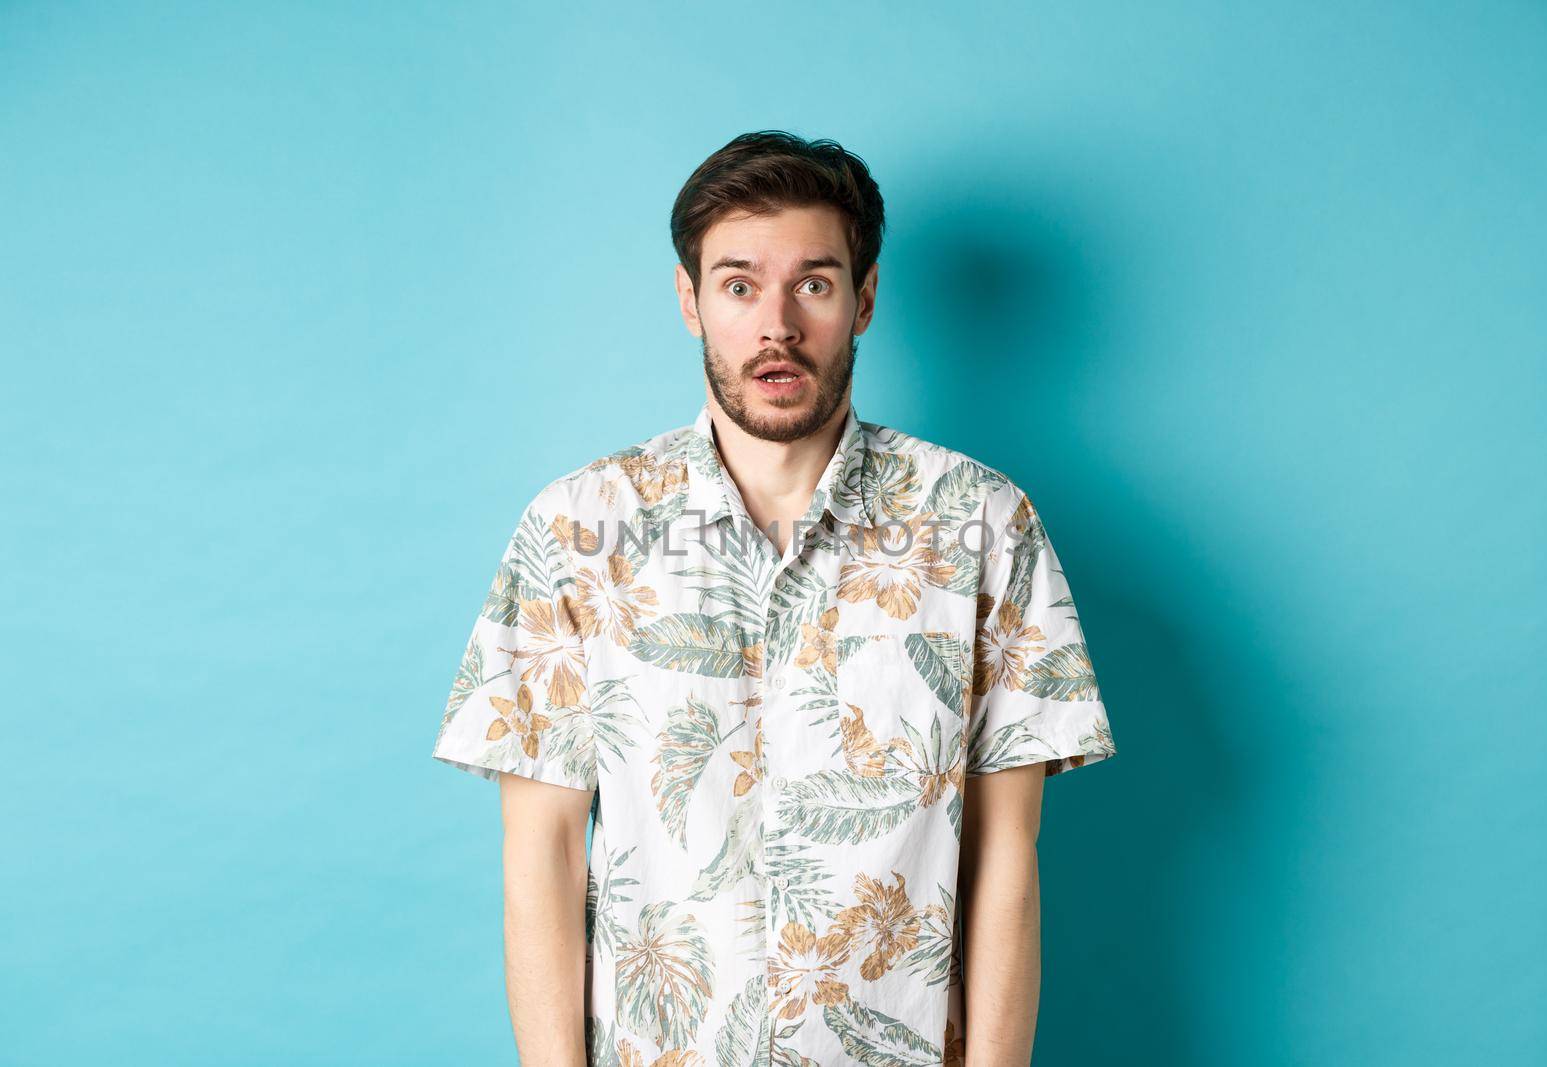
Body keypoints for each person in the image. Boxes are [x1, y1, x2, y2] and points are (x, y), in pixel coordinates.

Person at [431, 129, 1116, 1066]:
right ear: (690, 300)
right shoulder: (575, 530)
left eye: (815, 284)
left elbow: (1007, 861)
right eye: (740, 284)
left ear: (864, 299)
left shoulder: (985, 525)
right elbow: (542, 858)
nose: (777, 327)